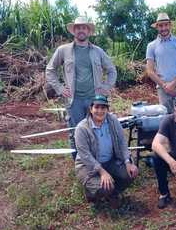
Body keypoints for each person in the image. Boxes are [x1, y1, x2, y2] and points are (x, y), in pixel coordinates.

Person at [46, 16, 117, 159]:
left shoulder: (97, 51)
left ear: (89, 31)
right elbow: (50, 70)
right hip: (74, 101)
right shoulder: (63, 50)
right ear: (74, 31)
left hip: (95, 100)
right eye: (78, 28)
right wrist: (60, 89)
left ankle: (97, 158)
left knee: (97, 129)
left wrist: (106, 87)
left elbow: (112, 70)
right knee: (75, 132)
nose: (81, 30)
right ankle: (79, 163)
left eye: (84, 27)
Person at [74, 95, 139, 206]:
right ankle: (91, 193)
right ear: (91, 109)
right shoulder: (81, 128)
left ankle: (112, 193)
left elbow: (122, 142)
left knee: (130, 174)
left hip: (110, 161)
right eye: (97, 107)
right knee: (105, 187)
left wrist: (128, 162)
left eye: (103, 108)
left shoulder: (113, 120)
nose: (100, 111)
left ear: (107, 109)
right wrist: (102, 172)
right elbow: (85, 155)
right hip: (87, 166)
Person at [146, 12, 176, 114]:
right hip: (163, 90)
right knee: (167, 119)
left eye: (166, 25)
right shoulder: (151, 46)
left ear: (170, 25)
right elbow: (150, 71)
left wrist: (173, 84)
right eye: (160, 26)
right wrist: (164, 86)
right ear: (157, 27)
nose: (163, 28)